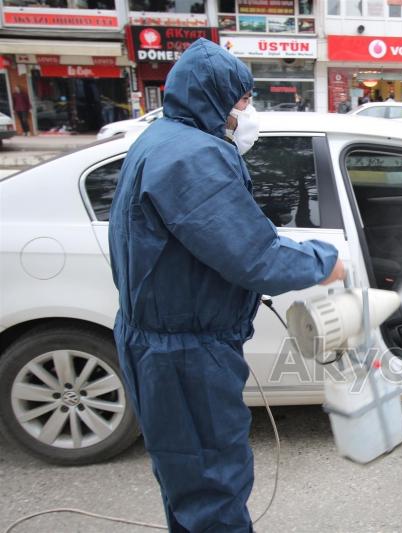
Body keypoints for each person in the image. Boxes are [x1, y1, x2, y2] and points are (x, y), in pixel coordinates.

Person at [108, 39, 345, 533]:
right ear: (211, 96)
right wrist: (326, 262)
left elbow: (216, 237)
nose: (248, 111)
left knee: (187, 482)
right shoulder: (193, 157)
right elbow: (253, 256)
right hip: (187, 355)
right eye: (242, 100)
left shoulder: (162, 139)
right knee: (213, 487)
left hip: (160, 344)